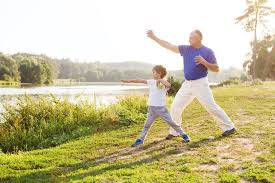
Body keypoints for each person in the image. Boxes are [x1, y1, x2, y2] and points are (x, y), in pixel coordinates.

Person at [146, 29, 236, 140]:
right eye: (189, 37)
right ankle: (174, 132)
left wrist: (204, 62)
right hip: (187, 84)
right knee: (175, 106)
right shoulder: (186, 49)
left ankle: (229, 127)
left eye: (191, 37)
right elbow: (168, 45)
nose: (189, 39)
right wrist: (154, 37)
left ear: (199, 38)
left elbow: (216, 69)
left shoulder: (208, 51)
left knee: (211, 107)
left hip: (200, 83)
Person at [121, 65, 190, 147]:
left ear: (159, 73)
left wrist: (160, 80)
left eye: (153, 72)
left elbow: (169, 85)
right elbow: (140, 80)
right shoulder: (151, 81)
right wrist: (128, 81)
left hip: (161, 109)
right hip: (152, 109)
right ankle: (140, 140)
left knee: (172, 123)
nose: (152, 74)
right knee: (147, 125)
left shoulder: (163, 83)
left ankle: (184, 135)